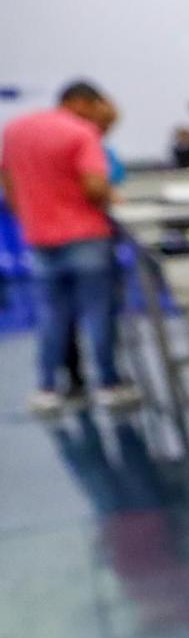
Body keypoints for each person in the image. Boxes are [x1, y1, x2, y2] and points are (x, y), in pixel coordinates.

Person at [0, 81, 142, 414]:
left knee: (51, 316)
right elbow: (94, 186)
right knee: (98, 312)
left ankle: (48, 388)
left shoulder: (15, 130)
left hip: (39, 239)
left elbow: (8, 184)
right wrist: (110, 196)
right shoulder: (81, 132)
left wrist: (31, 218)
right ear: (81, 102)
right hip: (85, 236)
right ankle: (109, 384)